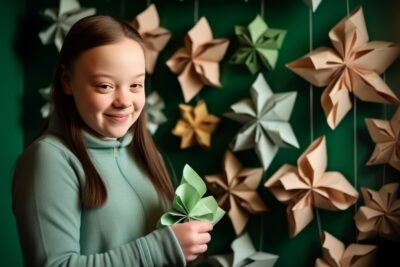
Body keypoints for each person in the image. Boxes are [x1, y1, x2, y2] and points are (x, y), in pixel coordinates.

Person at [12, 15, 213, 267]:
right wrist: (162, 247)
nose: (124, 101)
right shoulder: (49, 158)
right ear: (67, 81)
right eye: (105, 86)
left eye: (136, 85)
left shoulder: (145, 155)